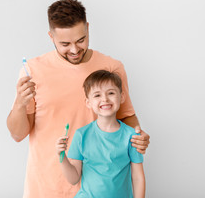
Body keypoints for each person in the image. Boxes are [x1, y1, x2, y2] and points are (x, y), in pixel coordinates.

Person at [7, 0, 150, 198]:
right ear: (51, 37)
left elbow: (127, 117)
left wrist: (139, 137)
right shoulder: (32, 70)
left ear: (88, 28)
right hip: (45, 187)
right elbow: (17, 134)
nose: (74, 50)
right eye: (65, 44)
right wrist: (20, 105)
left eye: (81, 40)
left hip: (99, 189)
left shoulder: (111, 68)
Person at [56, 70, 145, 198]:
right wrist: (62, 157)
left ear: (122, 96)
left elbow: (138, 178)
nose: (104, 99)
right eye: (97, 95)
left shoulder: (132, 136)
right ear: (88, 102)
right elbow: (74, 178)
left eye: (111, 93)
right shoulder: (81, 135)